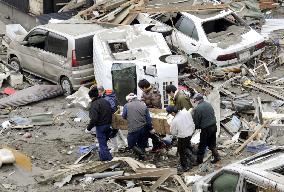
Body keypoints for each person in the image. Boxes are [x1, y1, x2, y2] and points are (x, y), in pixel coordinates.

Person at [85, 86, 113, 161]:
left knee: (102, 145)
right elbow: (111, 111)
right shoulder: (105, 101)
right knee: (104, 143)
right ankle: (102, 157)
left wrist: (88, 128)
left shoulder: (94, 105)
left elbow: (94, 119)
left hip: (101, 127)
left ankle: (109, 160)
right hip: (108, 125)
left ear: (91, 97)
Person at [192, 93, 220, 164]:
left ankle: (199, 161)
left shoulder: (197, 109)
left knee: (202, 145)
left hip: (206, 129)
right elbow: (212, 114)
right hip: (214, 126)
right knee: (212, 144)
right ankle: (217, 157)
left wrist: (196, 128)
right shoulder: (208, 104)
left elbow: (196, 122)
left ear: (197, 100)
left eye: (195, 101)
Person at [122, 93, 152, 160]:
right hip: (144, 128)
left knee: (131, 144)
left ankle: (142, 155)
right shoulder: (143, 105)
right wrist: (150, 128)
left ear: (129, 100)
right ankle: (142, 157)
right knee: (141, 143)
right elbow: (148, 118)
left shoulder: (126, 106)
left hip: (133, 128)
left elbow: (123, 116)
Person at [138, 79, 165, 152]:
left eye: (141, 88)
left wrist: (147, 106)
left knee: (155, 129)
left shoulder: (155, 91)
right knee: (149, 129)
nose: (141, 90)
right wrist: (142, 103)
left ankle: (158, 145)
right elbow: (142, 99)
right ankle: (155, 145)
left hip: (155, 112)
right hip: (148, 112)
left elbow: (156, 104)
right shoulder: (144, 92)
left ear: (144, 87)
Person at [166, 106, 195, 173]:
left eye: (170, 113)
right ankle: (192, 159)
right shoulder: (185, 112)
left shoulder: (175, 120)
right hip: (190, 133)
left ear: (173, 112)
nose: (171, 115)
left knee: (181, 151)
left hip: (183, 136)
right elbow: (191, 121)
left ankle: (185, 166)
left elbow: (173, 132)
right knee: (187, 145)